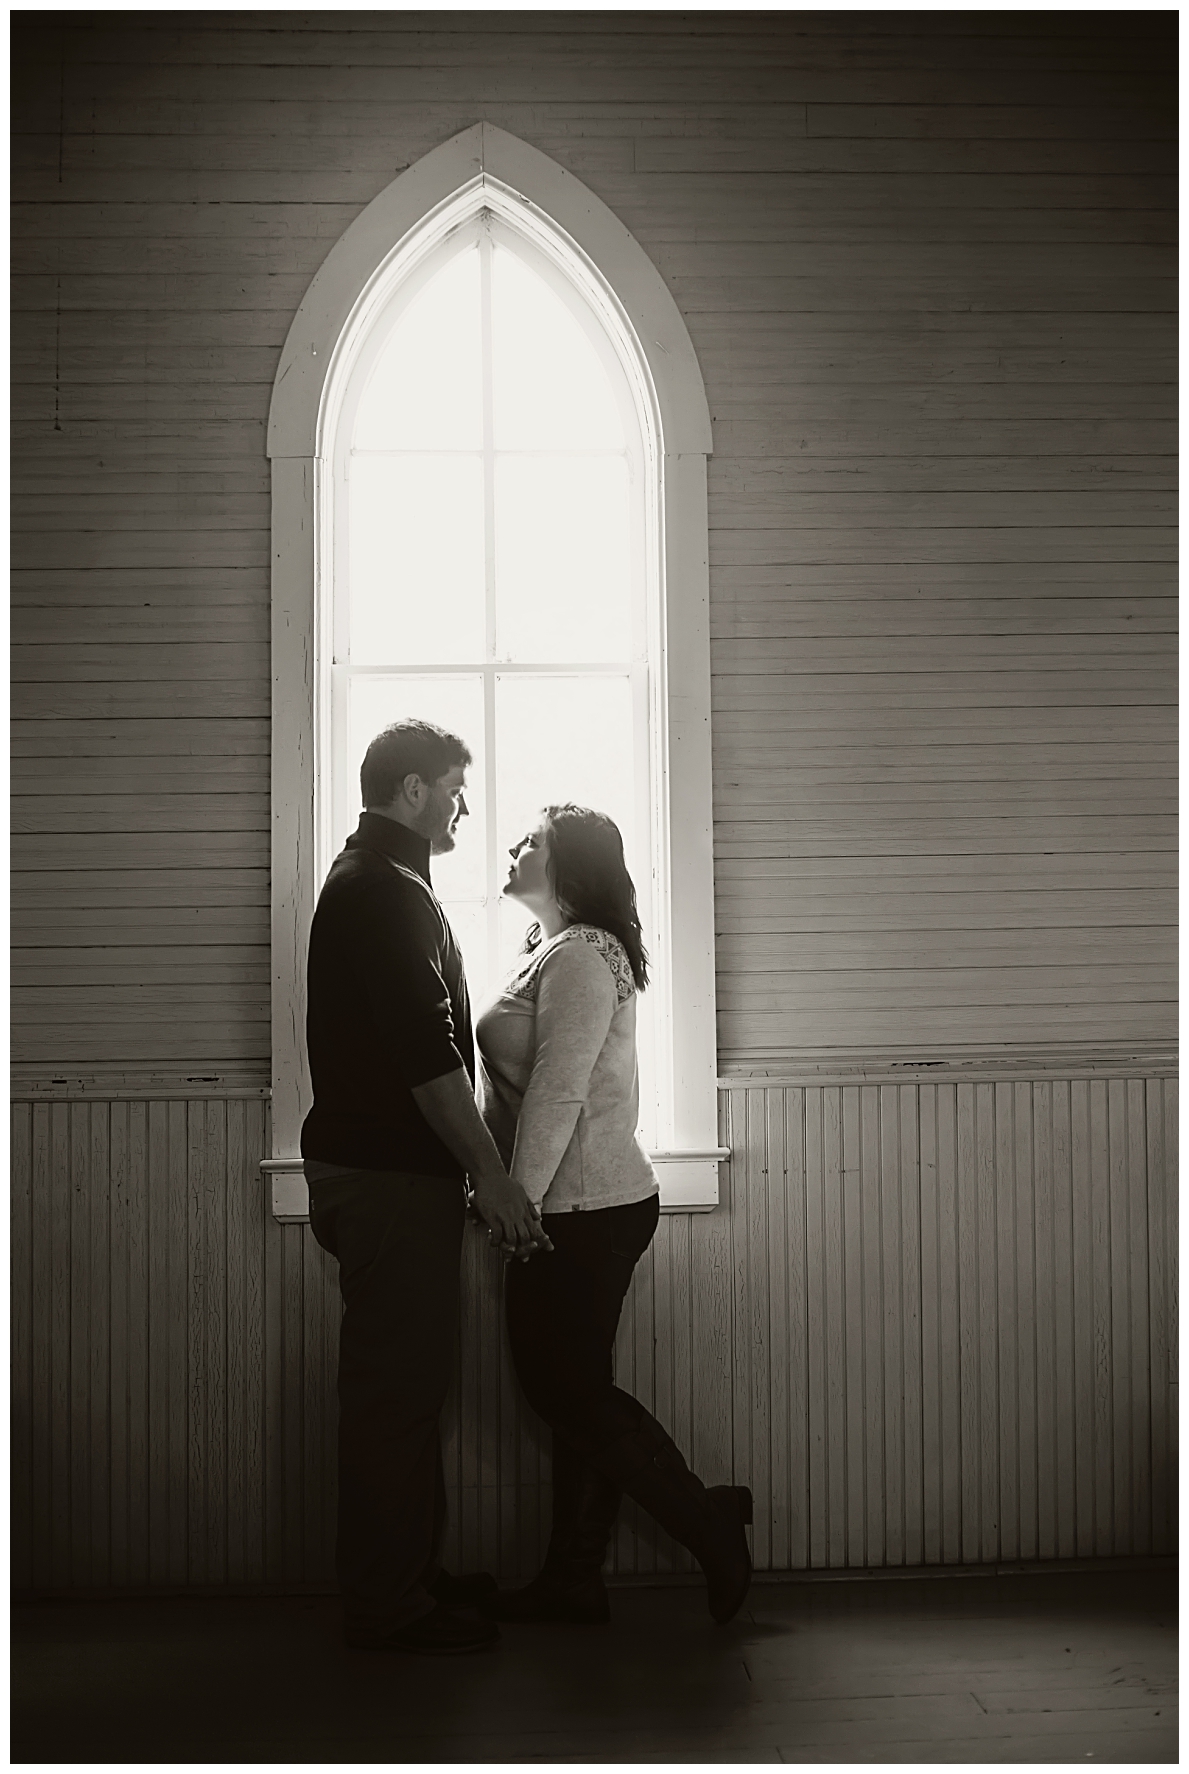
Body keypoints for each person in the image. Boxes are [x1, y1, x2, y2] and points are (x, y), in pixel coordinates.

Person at [302, 718, 552, 1656]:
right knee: (394, 1396)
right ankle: (387, 1606)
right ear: (411, 789)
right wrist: (490, 1176)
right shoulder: (383, 891)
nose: (461, 805)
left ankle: (408, 1575)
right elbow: (426, 1055)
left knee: (405, 1389)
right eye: (453, 786)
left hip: (382, 1175)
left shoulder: (377, 882)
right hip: (387, 1178)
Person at [475, 803, 752, 1626]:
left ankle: (708, 1523)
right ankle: (572, 1579)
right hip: (572, 1204)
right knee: (575, 1394)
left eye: (532, 841)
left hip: (583, 1208)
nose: (514, 847)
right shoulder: (555, 949)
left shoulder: (585, 955)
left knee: (564, 1393)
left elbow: (559, 1089)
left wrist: (514, 1200)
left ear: (570, 867)